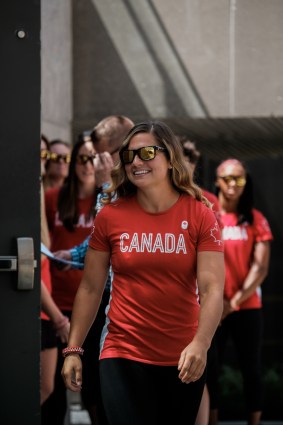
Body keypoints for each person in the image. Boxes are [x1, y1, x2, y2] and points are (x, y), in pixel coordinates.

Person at [61, 120, 225, 425]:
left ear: (170, 157)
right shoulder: (110, 216)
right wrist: (73, 348)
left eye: (147, 152)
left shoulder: (200, 214)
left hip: (182, 357)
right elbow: (90, 288)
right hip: (122, 351)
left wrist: (201, 344)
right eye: (129, 155)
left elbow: (213, 289)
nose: (136, 161)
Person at [207, 159, 273, 425]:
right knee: (210, 370)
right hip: (213, 307)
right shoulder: (208, 216)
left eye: (239, 179)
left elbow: (261, 268)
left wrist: (233, 301)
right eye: (227, 178)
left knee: (251, 369)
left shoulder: (256, 219)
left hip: (246, 307)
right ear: (217, 181)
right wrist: (217, 301)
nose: (233, 184)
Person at [41, 138, 99, 425]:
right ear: (73, 163)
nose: (87, 166)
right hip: (60, 302)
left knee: (94, 385)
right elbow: (42, 245)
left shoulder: (108, 200)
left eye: (93, 159)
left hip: (95, 303)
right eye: (82, 159)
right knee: (53, 384)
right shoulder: (54, 197)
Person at [40, 135, 70, 404]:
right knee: (46, 389)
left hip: (51, 303)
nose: (56, 163)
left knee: (47, 388)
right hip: (46, 303)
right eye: (51, 157)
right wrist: (58, 317)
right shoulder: (41, 195)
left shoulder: (43, 194)